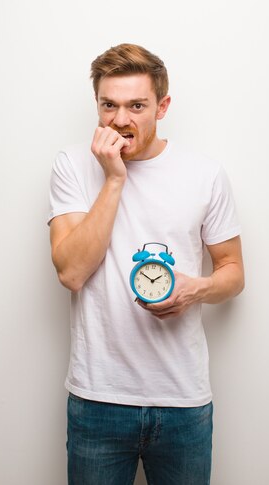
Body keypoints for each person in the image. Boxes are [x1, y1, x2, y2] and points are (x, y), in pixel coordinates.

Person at [47, 43, 245, 485]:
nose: (121, 120)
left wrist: (195, 289)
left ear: (162, 105)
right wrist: (115, 177)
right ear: (96, 104)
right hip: (98, 398)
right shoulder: (74, 166)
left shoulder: (204, 174)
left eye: (137, 105)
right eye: (109, 105)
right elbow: (73, 272)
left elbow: (233, 271)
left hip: (183, 400)